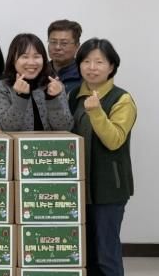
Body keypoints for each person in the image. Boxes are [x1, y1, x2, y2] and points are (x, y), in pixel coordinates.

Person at [68, 38, 136, 276]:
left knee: (107, 254)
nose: (92, 67)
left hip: (109, 189)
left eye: (99, 62)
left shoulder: (122, 99)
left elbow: (114, 139)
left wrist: (96, 112)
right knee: (85, 254)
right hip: (79, 188)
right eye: (86, 61)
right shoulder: (75, 95)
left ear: (111, 66)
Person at [0, 33, 73, 131]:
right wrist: (21, 97)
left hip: (51, 142)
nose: (31, 62)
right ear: (13, 60)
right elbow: (7, 127)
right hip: (17, 141)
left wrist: (53, 99)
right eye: (24, 57)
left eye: (36, 56)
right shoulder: (1, 88)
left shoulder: (54, 85)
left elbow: (66, 128)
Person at [47, 19, 83, 94]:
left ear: (77, 46)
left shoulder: (85, 75)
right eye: (53, 42)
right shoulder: (40, 72)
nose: (57, 47)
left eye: (64, 43)